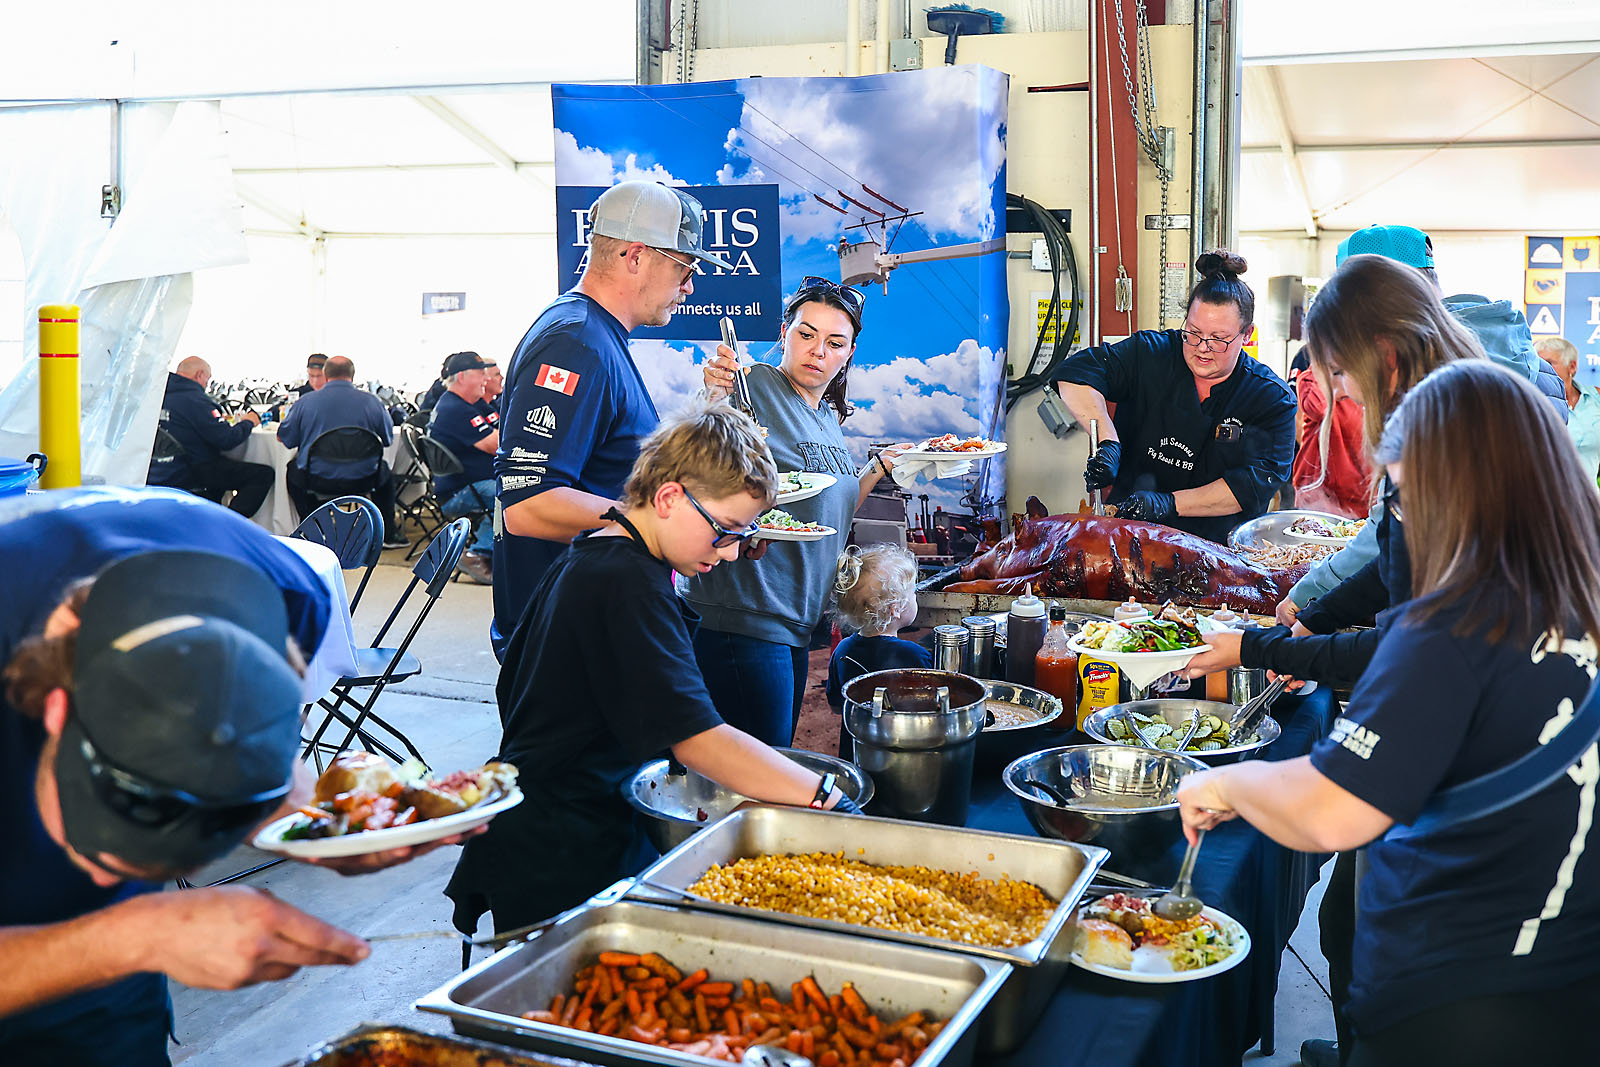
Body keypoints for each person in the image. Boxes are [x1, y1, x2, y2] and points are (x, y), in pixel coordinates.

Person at [1176, 361, 1600, 1066]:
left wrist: (1221, 785)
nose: (1398, 523)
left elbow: (1331, 810)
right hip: (1566, 984)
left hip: (1458, 1002)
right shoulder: (1569, 589)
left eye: (1400, 497)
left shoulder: (1460, 622)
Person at [0, 487, 475, 1065]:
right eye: (108, 833)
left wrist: (322, 826)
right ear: (55, 709)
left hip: (108, 1002)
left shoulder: (283, 593)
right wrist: (129, 935)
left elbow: (263, 740)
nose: (102, 890)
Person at [445, 403, 859, 935]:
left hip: (554, 816)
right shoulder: (627, 583)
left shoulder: (596, 553)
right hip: (564, 848)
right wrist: (827, 797)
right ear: (669, 498)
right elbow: (700, 741)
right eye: (726, 529)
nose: (732, 553)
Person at [1276, 224, 1568, 627]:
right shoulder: (1513, 364)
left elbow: (1404, 546)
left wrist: (1314, 595)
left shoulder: (1440, 404)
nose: (1346, 390)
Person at [492, 180, 731, 658]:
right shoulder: (576, 343)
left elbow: (613, 460)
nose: (689, 286)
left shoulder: (593, 334)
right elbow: (528, 505)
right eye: (685, 268)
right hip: (571, 635)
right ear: (636, 256)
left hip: (591, 616)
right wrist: (666, 527)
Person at [689, 277, 909, 745]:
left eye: (835, 342)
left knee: (771, 755)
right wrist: (711, 393)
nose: (818, 351)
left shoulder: (827, 415)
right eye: (806, 335)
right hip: (743, 610)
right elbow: (695, 457)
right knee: (758, 765)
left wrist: (880, 467)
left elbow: (835, 507)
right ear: (784, 332)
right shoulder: (753, 387)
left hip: (792, 617)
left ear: (849, 352)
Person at [1052, 250, 1296, 544]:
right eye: (1193, 332)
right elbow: (1074, 375)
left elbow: (1252, 487)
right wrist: (1108, 442)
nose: (1202, 347)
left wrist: (1166, 503)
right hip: (1130, 538)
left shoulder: (1271, 399)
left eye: (1219, 339)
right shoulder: (1150, 354)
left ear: (1247, 335)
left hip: (1219, 554)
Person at [275, 355, 406, 548]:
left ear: (326, 375)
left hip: (318, 478)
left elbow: (286, 439)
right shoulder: (372, 402)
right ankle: (387, 534)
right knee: (385, 472)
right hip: (365, 477)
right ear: (352, 376)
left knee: (293, 471)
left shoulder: (305, 403)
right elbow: (387, 439)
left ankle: (313, 530)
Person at [825, 545, 931, 757]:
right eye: (913, 593)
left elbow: (836, 706)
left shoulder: (842, 650)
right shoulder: (916, 655)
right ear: (896, 608)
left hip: (856, 755)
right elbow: (932, 712)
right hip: (903, 760)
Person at [145, 356, 273, 518]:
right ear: (199, 375)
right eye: (208, 378)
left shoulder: (158, 395)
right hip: (192, 471)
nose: (207, 384)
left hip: (156, 471)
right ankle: (228, 523)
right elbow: (226, 439)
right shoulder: (194, 399)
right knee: (262, 475)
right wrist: (248, 422)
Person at [427, 351, 500, 584]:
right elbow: (496, 444)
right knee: (513, 493)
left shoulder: (474, 404)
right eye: (480, 375)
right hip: (459, 492)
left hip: (476, 484)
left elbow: (504, 430)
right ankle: (477, 553)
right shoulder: (454, 409)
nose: (485, 380)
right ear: (462, 377)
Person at [1291, 358, 1370, 518]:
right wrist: (1323, 363)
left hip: (1363, 499)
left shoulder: (1368, 376)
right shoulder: (1312, 376)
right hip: (1320, 499)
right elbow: (1317, 407)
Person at [1536, 336, 1600, 479]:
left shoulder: (1596, 397)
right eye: (1538, 363)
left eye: (1549, 363)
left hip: (1589, 497)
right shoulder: (1533, 402)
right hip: (1548, 496)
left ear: (1572, 366)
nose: (1542, 368)